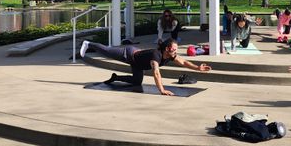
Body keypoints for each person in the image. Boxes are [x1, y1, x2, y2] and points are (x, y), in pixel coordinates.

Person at [80, 38, 211, 96]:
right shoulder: (156, 55)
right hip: (129, 54)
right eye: (174, 49)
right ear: (167, 48)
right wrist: (162, 90)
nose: (176, 51)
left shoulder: (170, 55)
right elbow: (156, 73)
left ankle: (116, 77)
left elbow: (183, 62)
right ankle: (89, 43)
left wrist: (197, 68)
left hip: (138, 64)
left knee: (137, 81)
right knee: (107, 51)